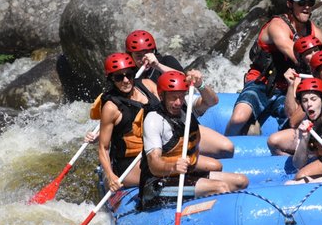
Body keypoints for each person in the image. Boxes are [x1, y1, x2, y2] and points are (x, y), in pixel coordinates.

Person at [88, 30, 235, 159]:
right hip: (152, 124)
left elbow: (184, 80)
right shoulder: (125, 77)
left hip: (177, 110)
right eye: (138, 56)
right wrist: (101, 133)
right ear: (129, 56)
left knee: (226, 146)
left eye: (146, 54)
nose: (143, 59)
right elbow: (120, 112)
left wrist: (157, 65)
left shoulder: (165, 61)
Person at [225, 0, 322, 135]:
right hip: (261, 83)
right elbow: (296, 54)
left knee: (297, 124)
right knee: (239, 118)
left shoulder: (315, 33)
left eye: (310, 3)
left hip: (289, 89)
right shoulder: (277, 26)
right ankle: (226, 144)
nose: (306, 7)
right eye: (301, 3)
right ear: (290, 4)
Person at [138, 71, 249, 209]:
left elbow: (212, 101)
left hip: (183, 174)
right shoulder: (154, 120)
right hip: (158, 184)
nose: (178, 102)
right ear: (161, 96)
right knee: (221, 187)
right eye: (173, 98)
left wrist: (200, 85)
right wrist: (173, 166)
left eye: (181, 96)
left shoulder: (185, 107)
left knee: (241, 181)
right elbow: (154, 165)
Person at [97, 53, 160, 192]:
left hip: (156, 150)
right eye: (119, 77)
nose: (125, 80)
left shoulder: (147, 85)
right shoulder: (111, 107)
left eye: (129, 75)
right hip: (129, 163)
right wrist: (110, 175)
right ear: (111, 79)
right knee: (167, 172)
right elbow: (103, 147)